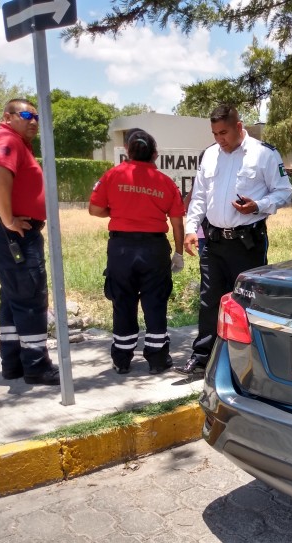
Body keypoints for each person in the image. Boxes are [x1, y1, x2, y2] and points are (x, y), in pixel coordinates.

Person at [175, 104, 292, 376]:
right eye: (215, 133)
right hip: (214, 242)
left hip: (246, 242)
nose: (220, 139)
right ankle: (202, 356)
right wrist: (192, 228)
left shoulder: (264, 154)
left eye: (224, 132)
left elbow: (284, 192)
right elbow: (200, 196)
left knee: (246, 301)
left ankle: (248, 361)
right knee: (209, 300)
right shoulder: (210, 155)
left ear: (240, 127)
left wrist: (258, 205)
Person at [88, 129, 186, 375]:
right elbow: (176, 222)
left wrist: (119, 211)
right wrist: (178, 252)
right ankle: (157, 359)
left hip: (121, 249)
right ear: (155, 154)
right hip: (154, 249)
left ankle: (121, 359)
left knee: (123, 301)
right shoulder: (166, 182)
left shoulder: (112, 175)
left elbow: (95, 209)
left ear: (128, 153)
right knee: (155, 302)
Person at [0, 98, 60, 385]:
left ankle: (13, 363)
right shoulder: (7, 140)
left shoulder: (11, 140)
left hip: (6, 232)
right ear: (8, 116)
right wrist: (9, 220)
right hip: (12, 234)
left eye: (36, 116)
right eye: (26, 115)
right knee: (31, 297)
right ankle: (37, 366)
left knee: (13, 297)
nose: (34, 121)